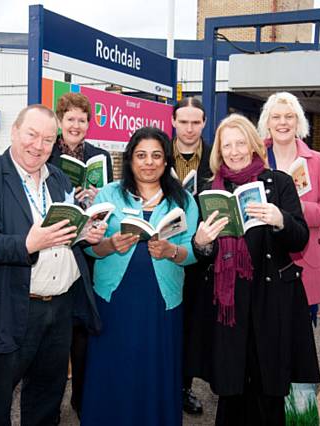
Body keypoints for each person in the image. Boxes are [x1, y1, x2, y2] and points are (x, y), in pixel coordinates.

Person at [0, 105, 105, 426]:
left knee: (47, 398)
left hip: (60, 308)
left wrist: (85, 233)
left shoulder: (58, 178)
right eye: (32, 135)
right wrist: (30, 243)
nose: (38, 146)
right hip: (13, 307)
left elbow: (65, 231)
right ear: (14, 132)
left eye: (47, 139)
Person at [190, 114, 320, 425]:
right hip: (228, 306)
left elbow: (299, 238)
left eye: (240, 143)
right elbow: (202, 257)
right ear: (219, 151)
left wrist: (280, 220)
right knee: (231, 388)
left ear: (253, 145)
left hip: (270, 299)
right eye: (227, 145)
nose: (234, 152)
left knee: (269, 385)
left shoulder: (279, 182)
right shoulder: (209, 189)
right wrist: (202, 242)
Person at [80, 127, 199, 426]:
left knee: (155, 369)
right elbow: (90, 248)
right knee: (113, 368)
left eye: (156, 156)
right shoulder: (109, 195)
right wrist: (109, 244)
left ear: (166, 161)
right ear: (130, 160)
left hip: (162, 302)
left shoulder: (182, 200)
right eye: (141, 155)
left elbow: (195, 251)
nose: (149, 162)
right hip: (115, 300)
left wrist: (172, 250)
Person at [46, 92, 114, 416]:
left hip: (88, 253)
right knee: (58, 340)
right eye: (70, 119)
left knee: (84, 336)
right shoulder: (47, 155)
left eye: (82, 120)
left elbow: (110, 201)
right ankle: (52, 404)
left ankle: (82, 401)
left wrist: (100, 196)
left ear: (89, 123)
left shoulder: (101, 156)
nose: (76, 125)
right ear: (60, 122)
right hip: (57, 251)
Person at [257, 92, 320, 322]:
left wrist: (297, 207)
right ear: (267, 123)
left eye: (289, 116)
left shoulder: (317, 160)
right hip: (264, 258)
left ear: (298, 122)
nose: (283, 123)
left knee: (300, 342)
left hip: (305, 259)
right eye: (276, 117)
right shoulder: (254, 157)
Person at [171, 96, 211, 415]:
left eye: (195, 122)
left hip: (202, 253)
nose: (189, 128)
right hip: (163, 250)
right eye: (183, 121)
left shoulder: (216, 157)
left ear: (203, 123)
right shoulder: (156, 153)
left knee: (192, 324)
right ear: (173, 122)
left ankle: (184, 387)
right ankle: (160, 381)